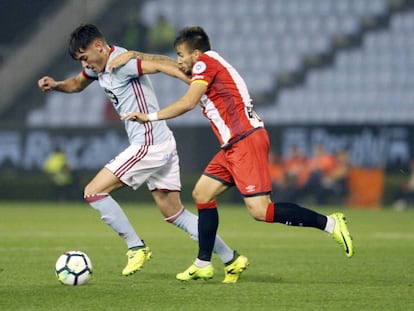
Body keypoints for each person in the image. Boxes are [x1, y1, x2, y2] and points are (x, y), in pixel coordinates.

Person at [114, 26, 354, 283]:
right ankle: (203, 263)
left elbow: (188, 102)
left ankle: (330, 223)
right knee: (202, 194)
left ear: (196, 53)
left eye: (181, 54)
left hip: (245, 140)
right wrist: (134, 55)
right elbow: (169, 66)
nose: (179, 60)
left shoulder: (205, 63)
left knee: (261, 211)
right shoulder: (206, 63)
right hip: (233, 144)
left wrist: (149, 117)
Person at [37, 23, 245, 283]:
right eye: (81, 60)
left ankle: (136, 247)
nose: (85, 64)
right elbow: (77, 84)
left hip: (148, 144)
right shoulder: (98, 68)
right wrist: (56, 85)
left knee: (93, 191)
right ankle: (231, 258)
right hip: (162, 142)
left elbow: (161, 65)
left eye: (85, 57)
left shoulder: (121, 63)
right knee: (175, 214)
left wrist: (196, 84)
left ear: (99, 47)